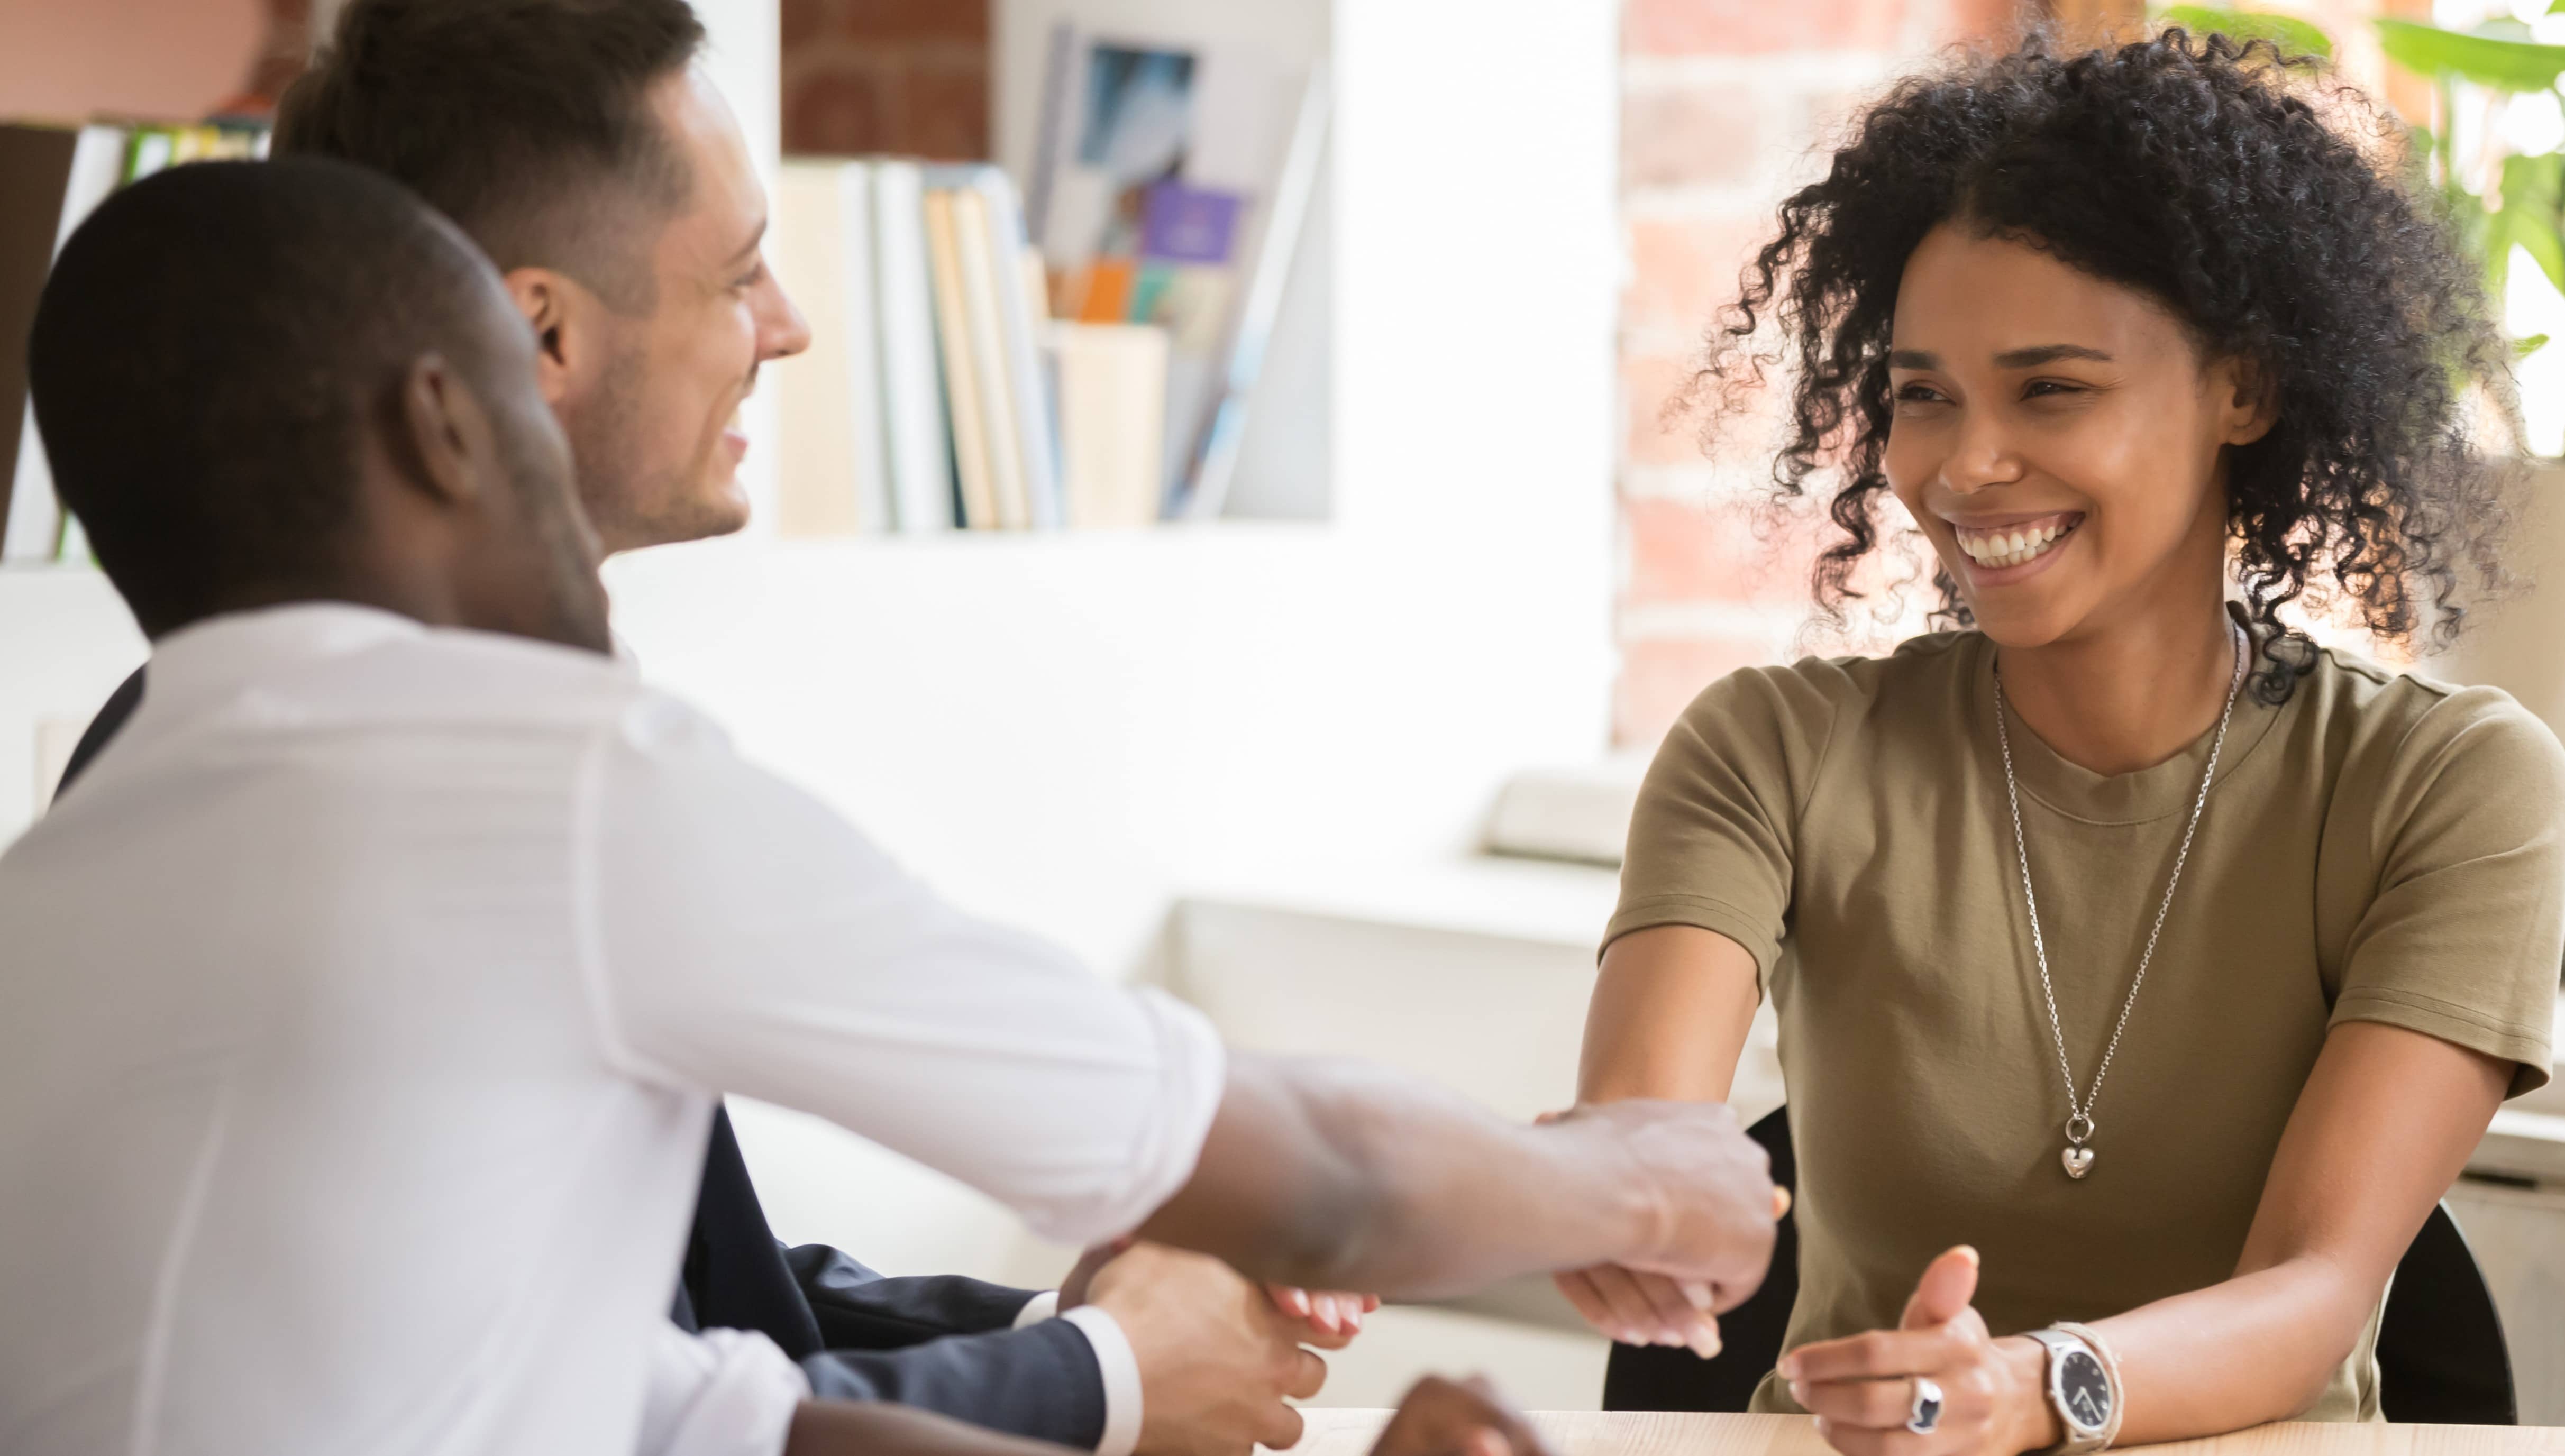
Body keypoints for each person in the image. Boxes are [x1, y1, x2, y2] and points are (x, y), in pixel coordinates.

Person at [1, 157, 1778, 1454]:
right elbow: (1324, 1180)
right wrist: (1632, 1179)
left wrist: (1106, 1368)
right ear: (450, 429)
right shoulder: (548, 783)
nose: (780, 330)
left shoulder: (54, 891)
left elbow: (722, 1421)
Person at [40, 2, 1386, 1452]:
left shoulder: (285, 743)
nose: (790, 328)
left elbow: (684, 1307)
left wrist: (1060, 1325)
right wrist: (1106, 1371)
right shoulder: (457, 797)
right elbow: (635, 1418)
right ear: (533, 335)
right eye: (741, 273)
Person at [1563, 29, 2565, 1456]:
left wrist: (2036, 1387)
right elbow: (1647, 1132)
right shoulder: (1768, 752)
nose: (1963, 467)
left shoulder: (2445, 786)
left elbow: (2315, 1284)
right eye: (1922, 394)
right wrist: (1610, 1193)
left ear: (2243, 389)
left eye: (2050, 390)